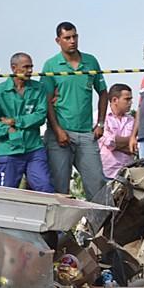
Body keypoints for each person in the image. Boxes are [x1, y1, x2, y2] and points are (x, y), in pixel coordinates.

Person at [41, 21, 107, 202]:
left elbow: (103, 92)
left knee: (97, 184)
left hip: (87, 134)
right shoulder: (51, 65)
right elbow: (45, 101)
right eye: (67, 38)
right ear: (58, 40)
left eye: (75, 36)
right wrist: (57, 130)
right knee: (59, 188)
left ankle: (99, 229)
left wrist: (101, 123)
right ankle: (59, 231)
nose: (72, 41)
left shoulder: (91, 61)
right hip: (60, 135)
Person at [0, 53, 54, 192]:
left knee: (44, 186)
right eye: (26, 67)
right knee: (6, 193)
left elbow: (40, 116)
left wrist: (15, 121)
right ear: (14, 68)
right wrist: (7, 129)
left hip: (34, 148)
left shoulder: (38, 88)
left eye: (31, 67)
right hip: (9, 150)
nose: (30, 71)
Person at [98, 83, 135, 180]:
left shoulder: (132, 120)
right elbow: (110, 141)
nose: (130, 103)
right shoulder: (100, 118)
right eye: (127, 99)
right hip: (107, 174)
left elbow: (136, 146)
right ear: (115, 100)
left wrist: (116, 145)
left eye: (131, 99)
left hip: (128, 175)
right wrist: (131, 140)